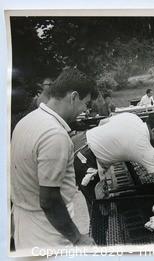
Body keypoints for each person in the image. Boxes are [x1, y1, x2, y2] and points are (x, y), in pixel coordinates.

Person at [11, 68, 98, 249]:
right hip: (48, 234)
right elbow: (49, 200)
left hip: (25, 225)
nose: (85, 110)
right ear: (73, 97)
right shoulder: (54, 134)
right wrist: (77, 238)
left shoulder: (28, 120)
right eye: (86, 103)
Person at [74, 110, 154, 213]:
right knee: (99, 210)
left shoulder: (132, 117)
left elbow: (102, 123)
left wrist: (108, 146)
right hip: (85, 162)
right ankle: (98, 245)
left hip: (79, 142)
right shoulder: (143, 147)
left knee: (97, 202)